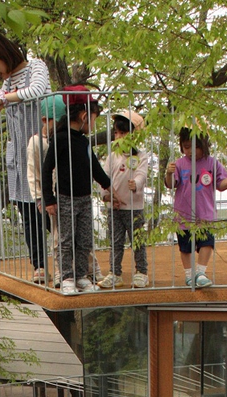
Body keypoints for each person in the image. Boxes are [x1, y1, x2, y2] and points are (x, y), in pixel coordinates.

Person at [0, 32, 52, 284]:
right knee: (27, 211)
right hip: (18, 154)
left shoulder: (36, 67)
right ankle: (38, 264)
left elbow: (35, 90)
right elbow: (1, 98)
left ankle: (75, 257)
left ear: (3, 55)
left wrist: (1, 99)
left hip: (41, 150)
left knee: (50, 208)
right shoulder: (7, 83)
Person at [42, 86, 111, 296]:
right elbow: (47, 168)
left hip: (85, 199)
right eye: (93, 118)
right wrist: (49, 199)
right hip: (65, 199)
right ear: (83, 116)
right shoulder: (61, 139)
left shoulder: (83, 141)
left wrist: (108, 186)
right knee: (65, 240)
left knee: (84, 240)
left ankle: (81, 276)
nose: (93, 124)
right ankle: (66, 277)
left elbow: (94, 168)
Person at [165, 127, 227, 289]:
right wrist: (168, 174)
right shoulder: (179, 163)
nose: (191, 151)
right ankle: (189, 275)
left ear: (204, 145)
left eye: (195, 147)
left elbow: (220, 185)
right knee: (185, 246)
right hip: (183, 215)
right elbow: (171, 184)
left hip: (205, 214)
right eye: (186, 147)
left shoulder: (212, 163)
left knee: (207, 243)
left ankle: (201, 272)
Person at [99, 109, 149, 290]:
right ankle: (115, 273)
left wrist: (135, 183)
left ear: (134, 135)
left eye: (123, 132)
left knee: (137, 242)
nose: (119, 137)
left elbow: (142, 175)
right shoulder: (112, 156)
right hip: (115, 208)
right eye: (116, 133)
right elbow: (103, 177)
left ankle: (142, 272)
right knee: (115, 241)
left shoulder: (141, 156)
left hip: (134, 208)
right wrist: (106, 195)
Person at [26, 93, 66, 286]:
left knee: (71, 233)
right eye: (56, 123)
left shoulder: (61, 139)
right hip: (49, 197)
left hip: (65, 194)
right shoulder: (35, 142)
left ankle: (87, 268)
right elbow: (32, 173)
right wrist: (40, 198)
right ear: (45, 120)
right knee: (57, 237)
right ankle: (59, 271)